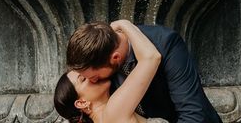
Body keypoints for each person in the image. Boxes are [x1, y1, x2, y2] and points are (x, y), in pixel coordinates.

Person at [54, 20, 221, 123]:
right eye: (84, 79)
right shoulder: (112, 108)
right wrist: (125, 24)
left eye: (92, 76)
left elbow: (193, 114)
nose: (93, 80)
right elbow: (150, 58)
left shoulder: (164, 42)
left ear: (115, 58)